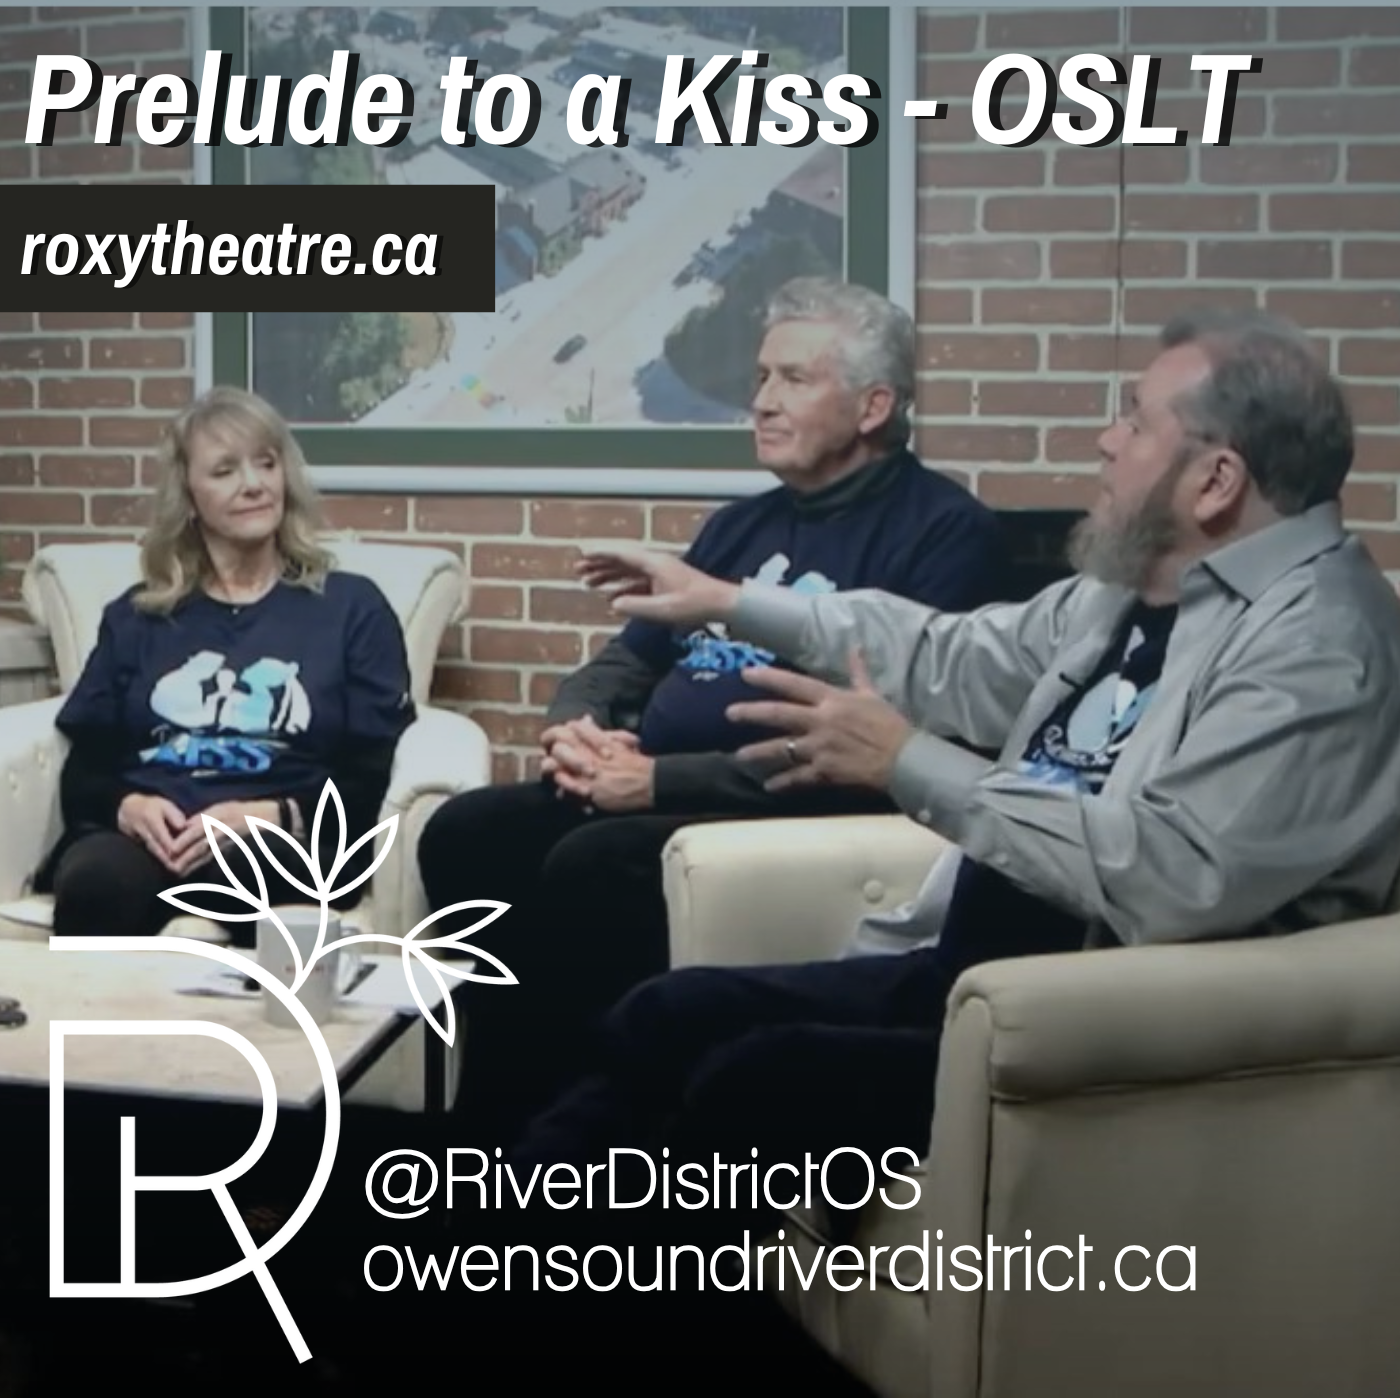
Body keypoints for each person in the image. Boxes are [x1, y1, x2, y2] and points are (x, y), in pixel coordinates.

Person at [501, 307, 1400, 1249]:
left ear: (1216, 480)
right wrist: (729, 601)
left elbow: (1171, 875)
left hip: (1087, 1019)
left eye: (1133, 421)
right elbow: (946, 653)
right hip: (966, 974)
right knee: (667, 1011)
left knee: (754, 1084)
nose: (1106, 440)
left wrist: (903, 761)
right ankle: (481, 1253)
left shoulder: (1319, 648)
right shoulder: (1133, 594)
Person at [417, 276, 1007, 1133]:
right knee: (467, 830)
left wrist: (657, 781)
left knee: (595, 863)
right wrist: (576, 730)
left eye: (792, 380)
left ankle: (591, 1125)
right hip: (646, 783)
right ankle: (493, 1118)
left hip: (777, 808)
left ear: (874, 405)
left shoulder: (947, 535)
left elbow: (875, 750)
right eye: (762, 378)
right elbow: (625, 661)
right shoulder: (739, 525)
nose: (760, 402)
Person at [34, 386, 416, 944]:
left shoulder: (350, 608)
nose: (255, 484)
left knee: (239, 879)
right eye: (225, 470)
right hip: (152, 838)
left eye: (267, 463)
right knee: (97, 887)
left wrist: (268, 814)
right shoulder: (140, 616)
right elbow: (85, 767)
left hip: (281, 839)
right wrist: (128, 806)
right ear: (188, 496)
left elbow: (370, 771)